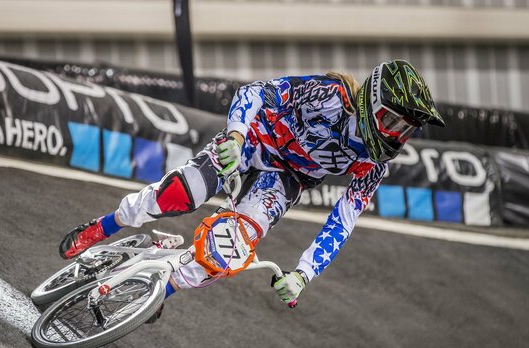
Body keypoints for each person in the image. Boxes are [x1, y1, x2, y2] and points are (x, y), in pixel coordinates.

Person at [59, 59, 444, 317]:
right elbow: (255, 92)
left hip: (285, 179)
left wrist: (304, 273)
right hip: (254, 141)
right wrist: (238, 136)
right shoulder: (329, 94)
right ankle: (104, 226)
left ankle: (159, 292)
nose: (398, 136)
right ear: (373, 102)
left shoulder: (376, 164)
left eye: (407, 130)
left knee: (228, 253)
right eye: (395, 123)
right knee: (179, 194)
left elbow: (342, 222)